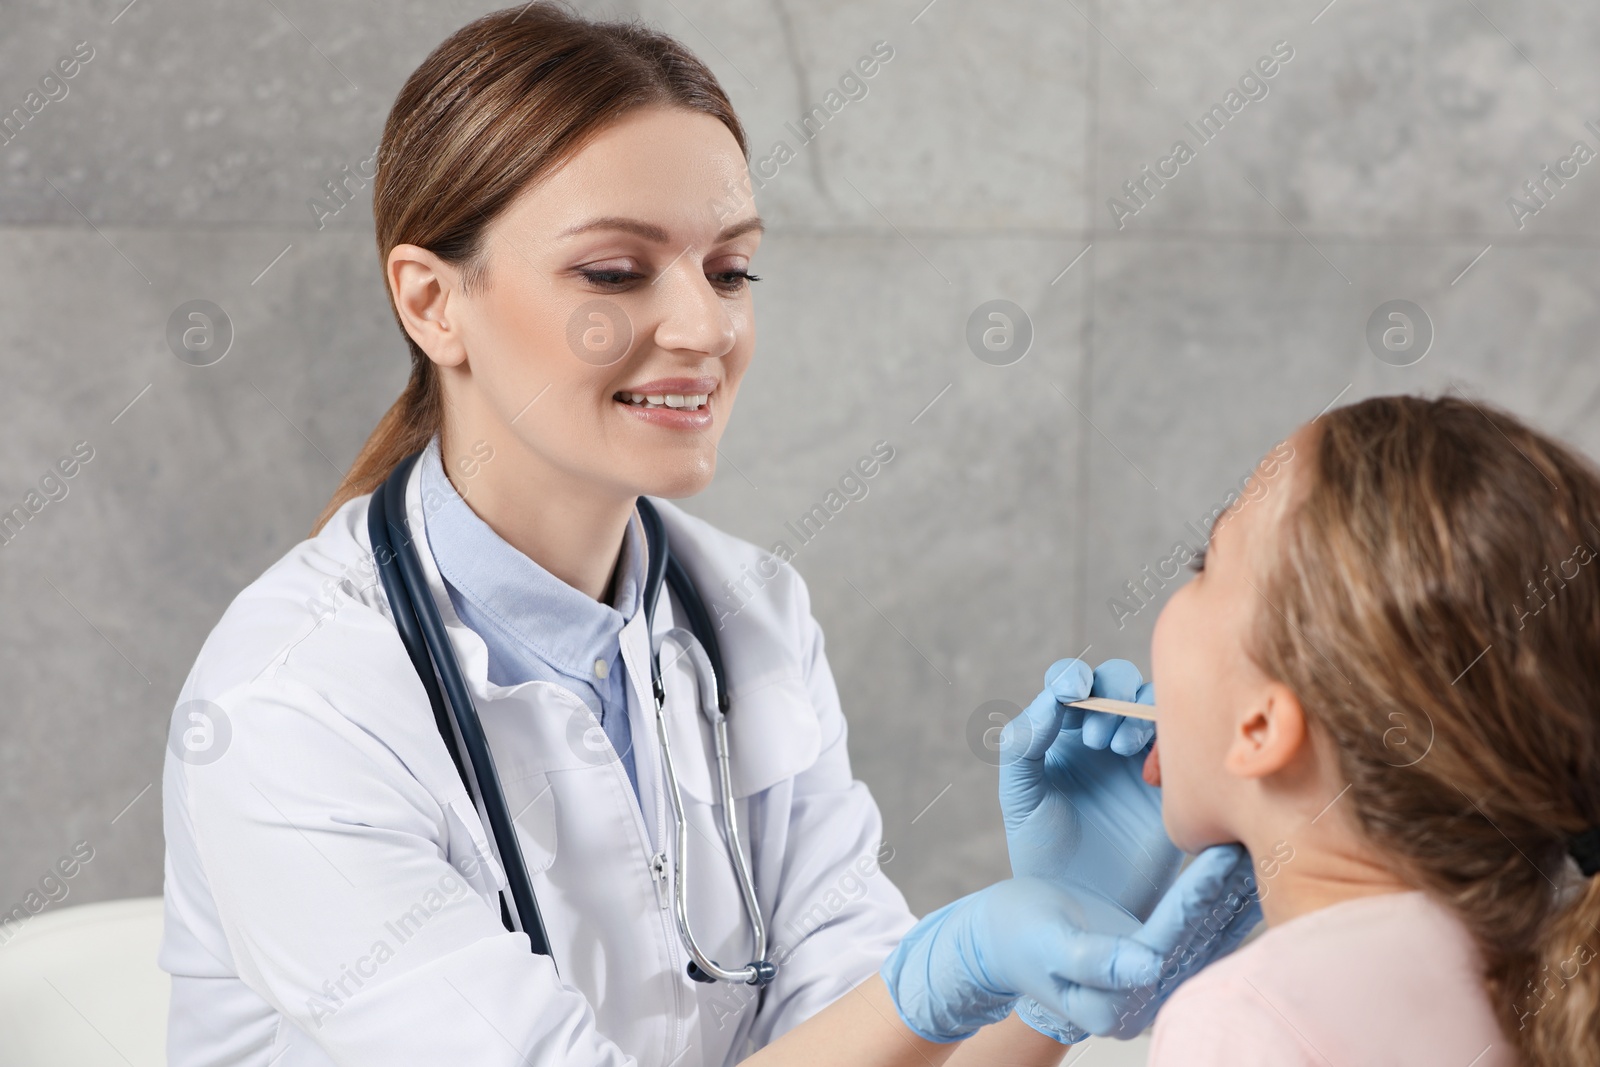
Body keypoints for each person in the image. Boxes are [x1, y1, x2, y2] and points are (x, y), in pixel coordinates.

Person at [158, 6, 1254, 1065]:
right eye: (613, 272)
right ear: (433, 303)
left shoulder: (745, 613)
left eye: (729, 269)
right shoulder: (292, 705)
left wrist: (1064, 948)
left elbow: (867, 1051)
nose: (704, 327)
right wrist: (945, 968)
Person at [868, 394, 1600, 1065]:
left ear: (1258, 725)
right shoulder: (1547, 970)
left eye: (1204, 563)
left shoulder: (1246, 1022)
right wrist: (1041, 1006)